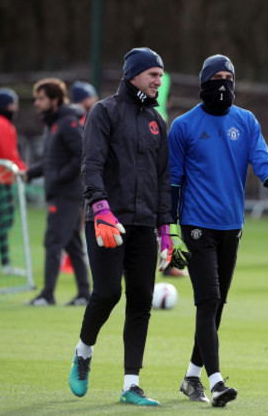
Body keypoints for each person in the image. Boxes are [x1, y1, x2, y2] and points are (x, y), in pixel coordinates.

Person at [168, 54, 268, 407]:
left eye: (229, 77)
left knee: (217, 303)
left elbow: (262, 161)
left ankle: (191, 377)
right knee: (208, 299)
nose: (223, 83)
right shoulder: (183, 126)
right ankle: (217, 381)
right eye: (217, 77)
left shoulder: (247, 121)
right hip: (196, 227)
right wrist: (171, 229)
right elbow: (173, 183)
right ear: (204, 81)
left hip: (232, 227)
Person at [68, 47, 173, 406]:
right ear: (133, 75)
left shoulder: (158, 120)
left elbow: (163, 179)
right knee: (108, 292)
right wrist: (99, 207)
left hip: (145, 223)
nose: (159, 81)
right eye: (153, 75)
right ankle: (83, 352)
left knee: (141, 300)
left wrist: (165, 230)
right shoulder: (103, 112)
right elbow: (91, 163)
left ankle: (131, 385)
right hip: (106, 221)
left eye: (161, 75)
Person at [24, 78, 90, 307]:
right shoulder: (53, 124)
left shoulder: (67, 123)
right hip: (64, 193)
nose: (37, 103)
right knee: (73, 245)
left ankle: (47, 295)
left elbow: (81, 155)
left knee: (53, 242)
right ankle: (84, 293)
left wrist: (59, 176)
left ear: (54, 100)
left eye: (41, 98)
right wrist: (29, 173)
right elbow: (52, 162)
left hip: (66, 195)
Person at [0, 88, 27, 274]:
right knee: (5, 223)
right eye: (12, 104)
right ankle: (5, 263)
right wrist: (22, 170)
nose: (15, 108)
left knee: (1, 223)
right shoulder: (1, 124)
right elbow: (9, 153)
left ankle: (5, 263)